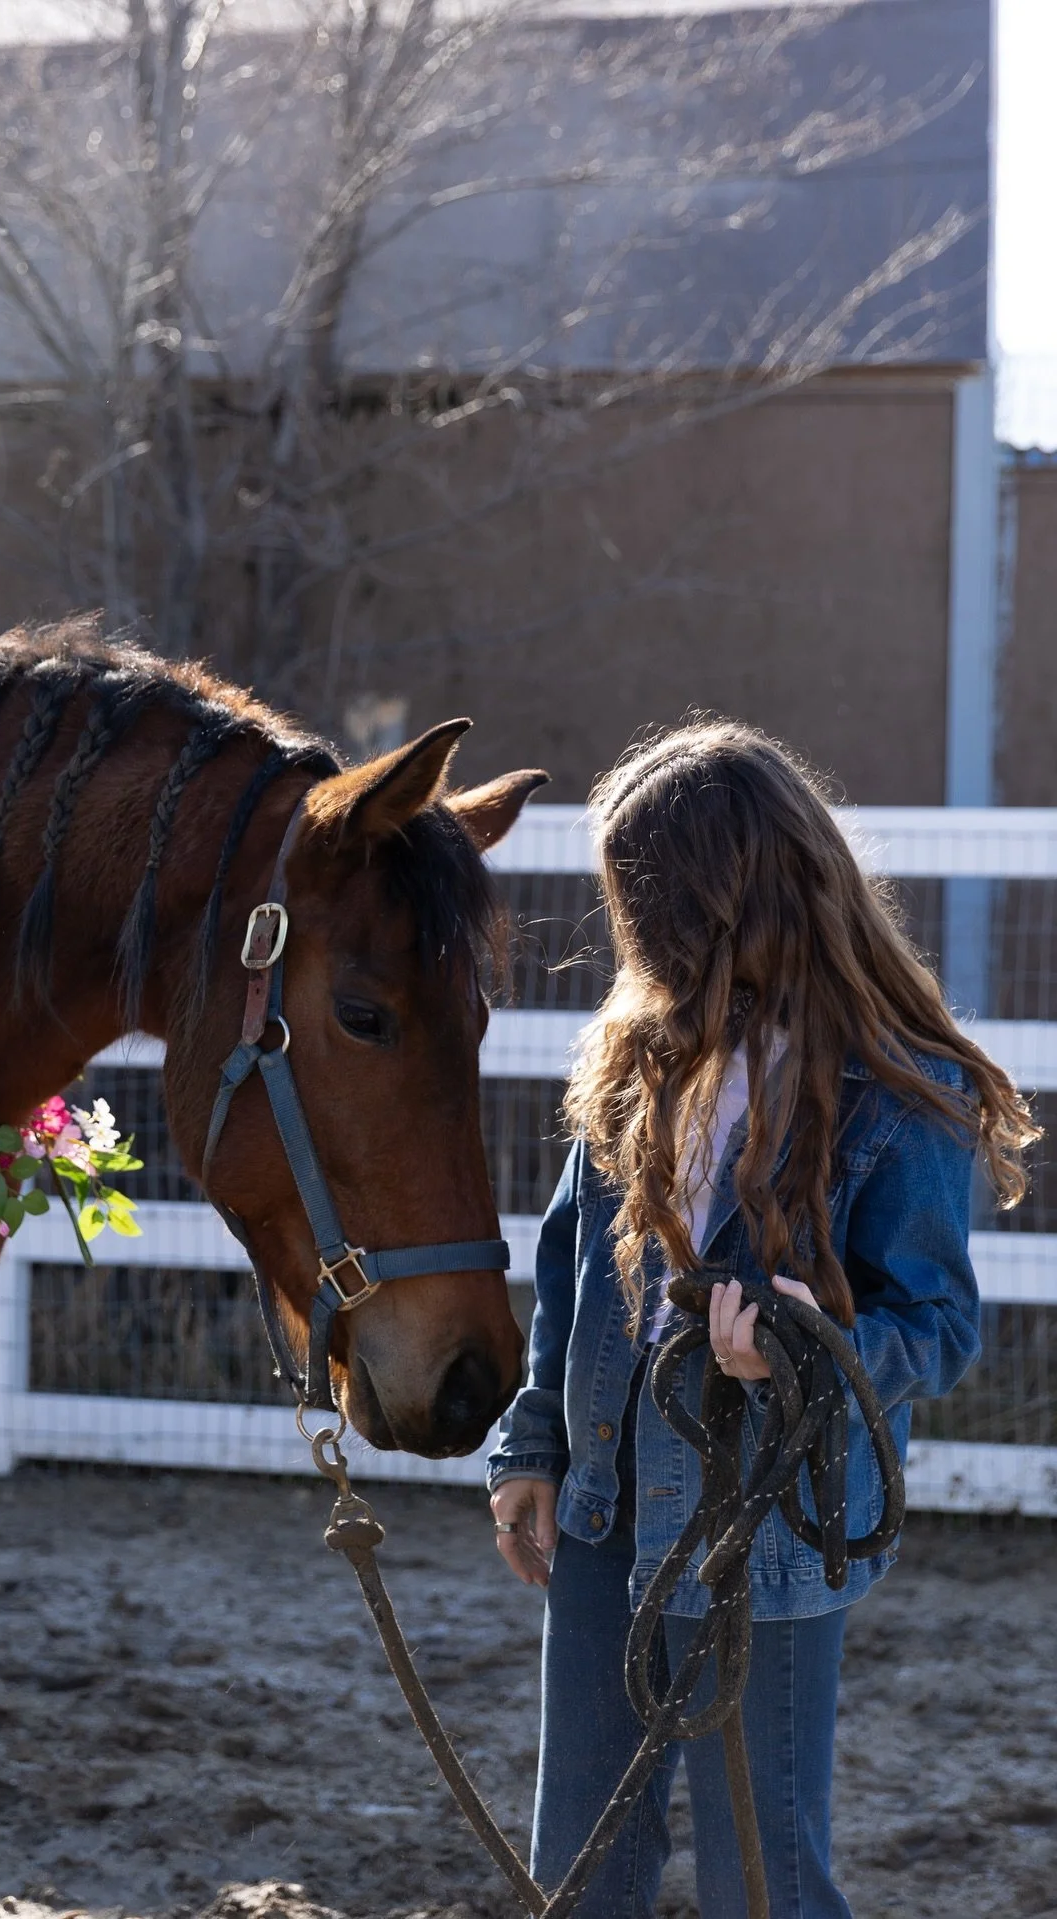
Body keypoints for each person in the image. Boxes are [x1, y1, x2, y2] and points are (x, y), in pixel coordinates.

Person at [487, 721, 1036, 1919]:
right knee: (578, 1861)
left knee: (763, 1876)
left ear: (712, 899)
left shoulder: (902, 1092)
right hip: (603, 1500)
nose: (632, 932)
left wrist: (805, 1353)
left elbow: (937, 1324)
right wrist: (531, 1441)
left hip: (772, 1528)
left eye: (644, 902)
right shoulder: (637, 1056)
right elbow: (571, 1264)